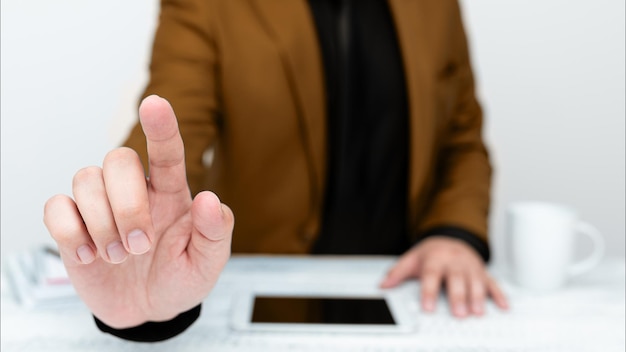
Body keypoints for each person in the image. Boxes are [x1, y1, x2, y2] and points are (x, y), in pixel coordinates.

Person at [43, 0, 508, 342]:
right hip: (267, 300)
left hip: (410, 292)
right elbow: (173, 129)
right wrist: (134, 224)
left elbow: (461, 138)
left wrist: (454, 233)